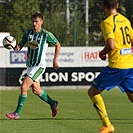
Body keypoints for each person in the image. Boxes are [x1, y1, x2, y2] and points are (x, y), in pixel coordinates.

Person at [87, 0, 133, 133]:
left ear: (103, 7)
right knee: (131, 96)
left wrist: (102, 53)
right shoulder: (125, 20)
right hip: (129, 65)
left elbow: (111, 45)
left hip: (117, 66)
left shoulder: (107, 22)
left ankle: (107, 125)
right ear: (117, 6)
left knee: (92, 92)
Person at [6, 11, 61, 119]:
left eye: (36, 21)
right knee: (36, 90)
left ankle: (16, 113)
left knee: (24, 87)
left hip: (39, 66)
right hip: (31, 65)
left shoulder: (46, 34)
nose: (34, 24)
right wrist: (13, 46)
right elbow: (20, 46)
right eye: (33, 21)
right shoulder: (28, 33)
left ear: (41, 21)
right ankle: (52, 103)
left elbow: (58, 44)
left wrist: (55, 60)